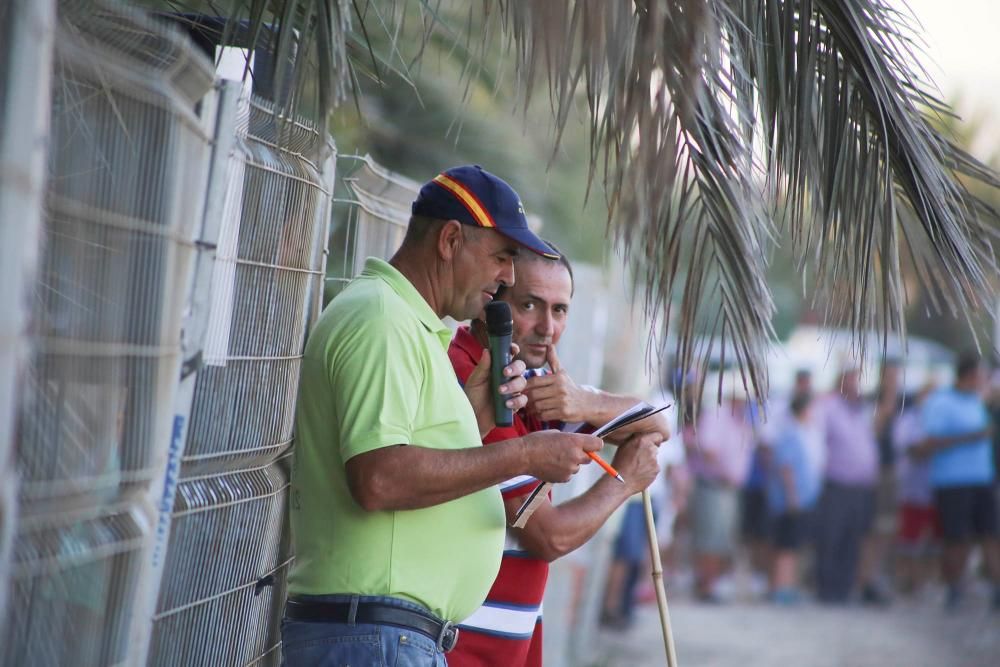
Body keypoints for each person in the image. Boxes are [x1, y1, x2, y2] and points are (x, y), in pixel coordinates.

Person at [283, 165, 603, 666]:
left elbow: (421, 464)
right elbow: (380, 479)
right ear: (451, 239)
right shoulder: (383, 321)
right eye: (501, 256)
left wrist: (476, 409)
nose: (508, 278)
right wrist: (523, 453)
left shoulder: (411, 325)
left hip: (386, 635)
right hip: (375, 635)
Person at [446, 245, 668, 665]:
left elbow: (658, 423)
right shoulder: (475, 375)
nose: (547, 328)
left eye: (561, 310)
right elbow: (547, 536)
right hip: (463, 649)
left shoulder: (530, 379)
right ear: (493, 304)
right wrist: (624, 482)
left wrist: (583, 404)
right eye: (530, 305)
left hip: (510, 647)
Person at [914, 353, 1000, 610]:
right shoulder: (941, 402)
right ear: (969, 375)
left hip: (981, 478)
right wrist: (971, 437)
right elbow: (928, 443)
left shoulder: (977, 401)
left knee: (991, 535)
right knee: (956, 538)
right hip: (952, 481)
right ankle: (954, 589)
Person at [814, 367, 882, 604]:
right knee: (832, 536)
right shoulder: (828, 408)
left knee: (853, 539)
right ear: (841, 382)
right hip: (837, 484)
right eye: (852, 381)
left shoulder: (862, 410)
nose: (856, 387)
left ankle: (844, 588)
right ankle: (827, 588)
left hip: (861, 487)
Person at [686, 373, 756, 602]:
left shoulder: (741, 421)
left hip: (728, 489)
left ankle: (710, 583)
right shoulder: (717, 416)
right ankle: (705, 586)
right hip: (714, 486)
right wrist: (726, 472)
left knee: (721, 540)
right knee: (709, 540)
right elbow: (708, 450)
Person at [766, 392, 821, 604]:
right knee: (786, 546)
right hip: (790, 501)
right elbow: (786, 468)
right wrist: (792, 497)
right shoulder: (791, 434)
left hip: (800, 500)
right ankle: (782, 588)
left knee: (792, 545)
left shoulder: (803, 432)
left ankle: (788, 586)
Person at [892, 382, 940, 595]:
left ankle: (927, 582)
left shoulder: (938, 421)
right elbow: (912, 449)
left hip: (937, 488)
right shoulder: (909, 419)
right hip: (913, 489)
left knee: (935, 541)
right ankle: (906, 582)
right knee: (908, 540)